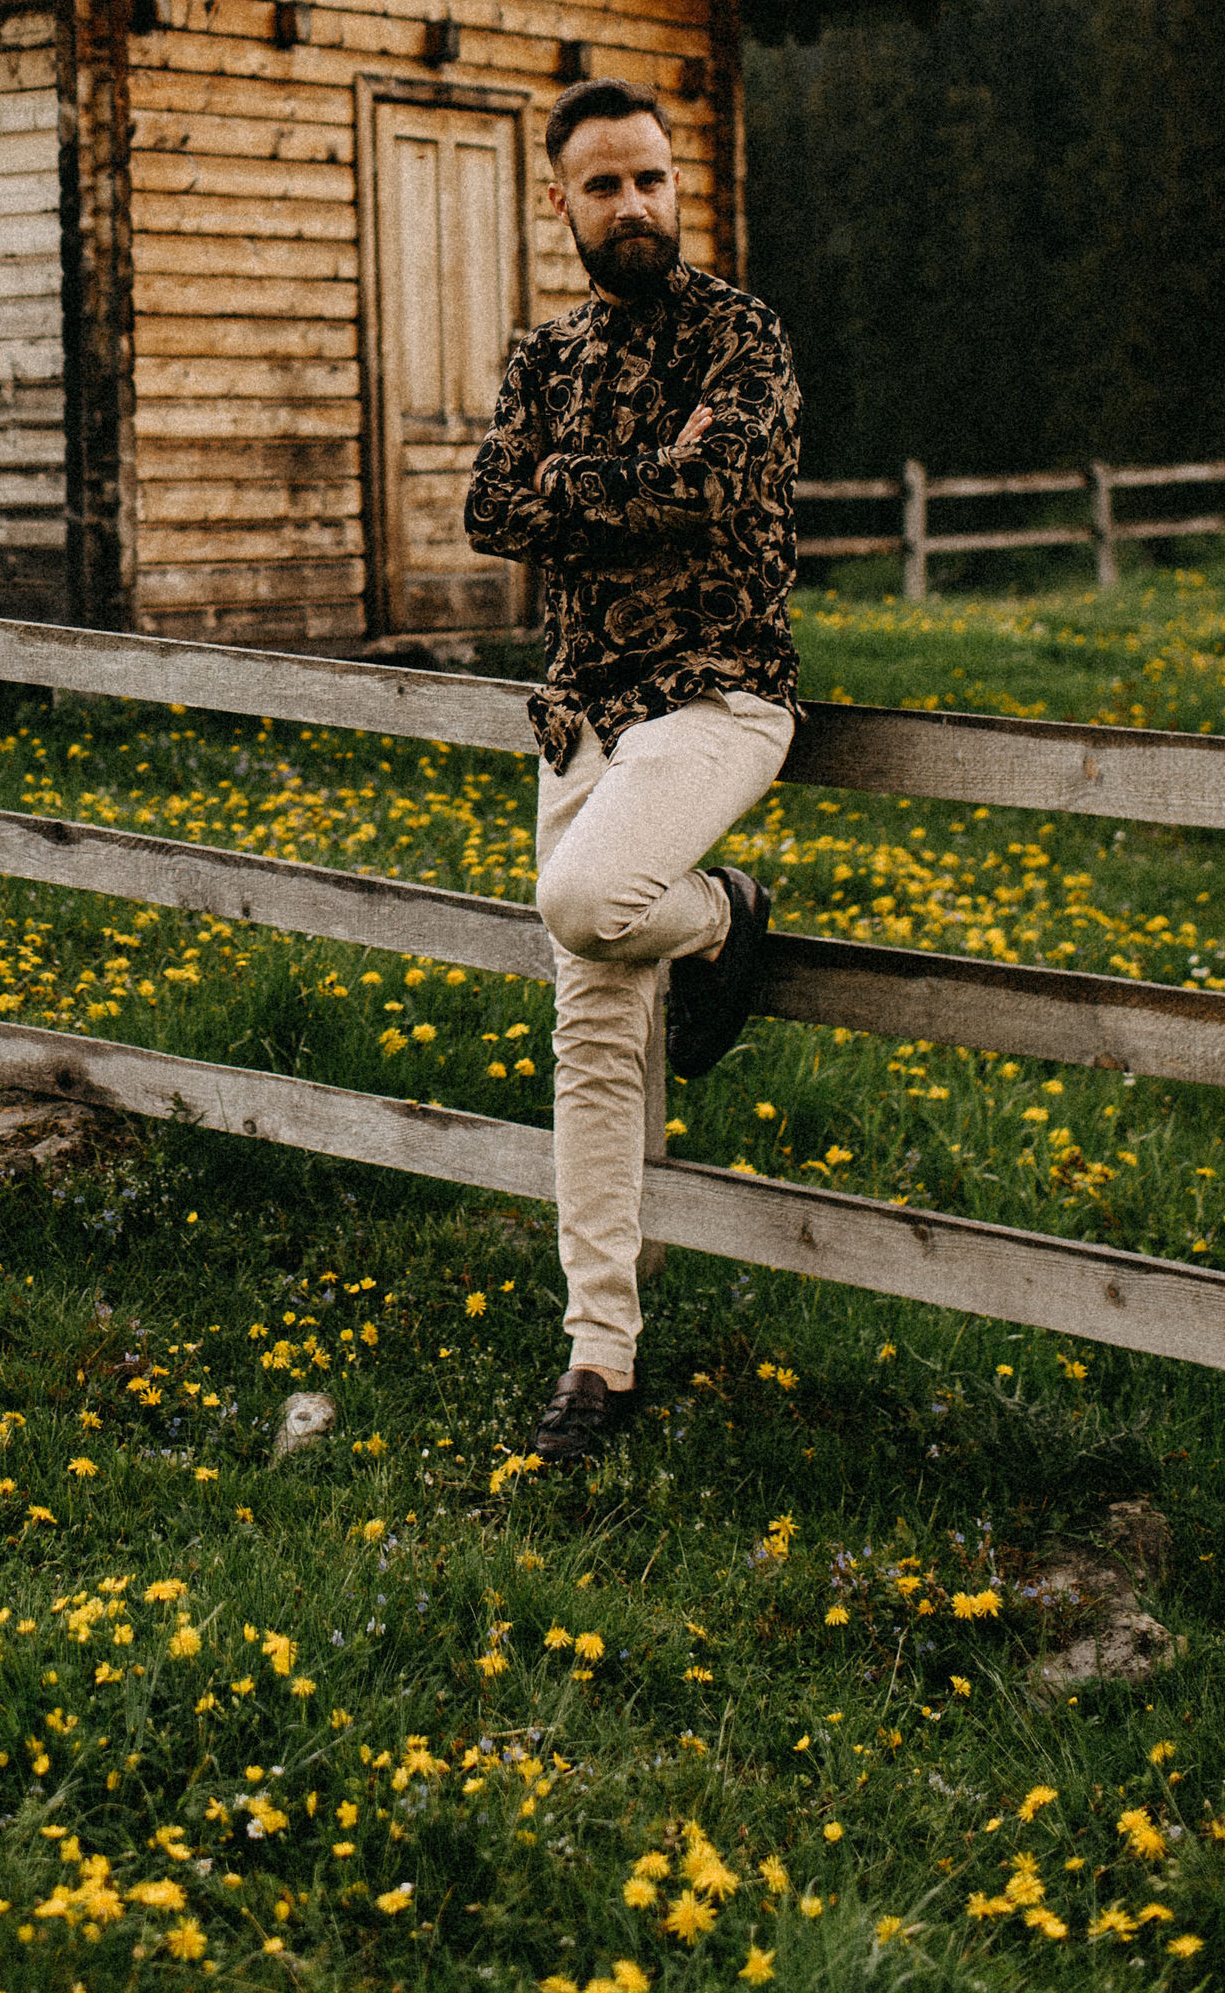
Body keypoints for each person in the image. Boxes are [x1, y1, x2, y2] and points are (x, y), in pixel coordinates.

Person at [464, 76, 800, 1470]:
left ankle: (721, 913)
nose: (635, 205)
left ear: (678, 185)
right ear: (561, 202)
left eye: (652, 179)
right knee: (594, 1036)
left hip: (716, 695)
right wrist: (632, 479)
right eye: (604, 185)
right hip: (580, 718)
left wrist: (574, 492)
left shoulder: (741, 337)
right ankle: (600, 1353)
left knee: (587, 903)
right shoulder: (544, 359)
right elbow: (490, 508)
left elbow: (711, 491)